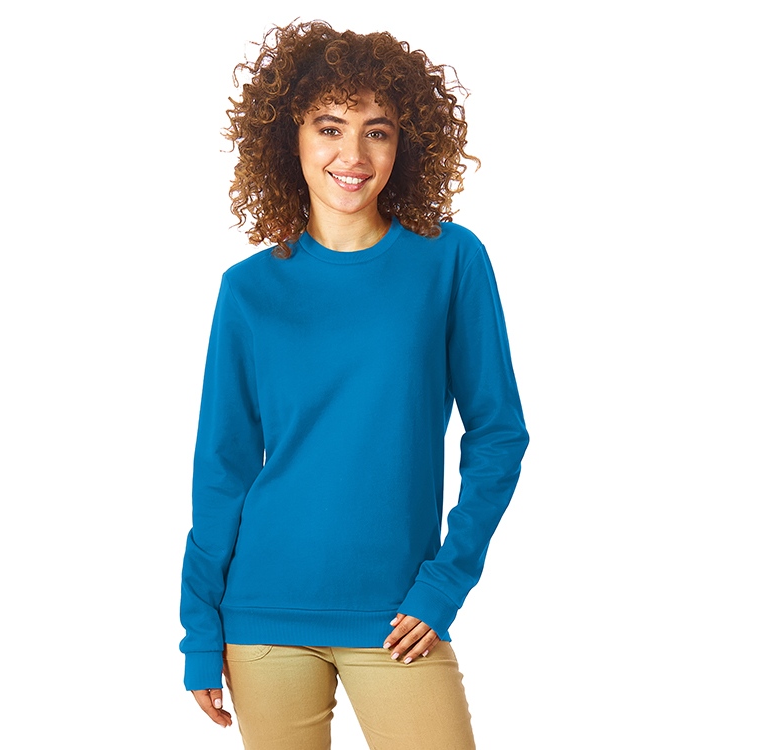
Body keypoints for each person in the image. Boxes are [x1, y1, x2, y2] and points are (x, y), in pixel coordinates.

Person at [179, 20, 529, 750]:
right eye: (330, 128)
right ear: (292, 138)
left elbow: (499, 434)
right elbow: (222, 470)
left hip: (399, 614)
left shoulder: (449, 261)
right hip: (263, 615)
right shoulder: (248, 290)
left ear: (406, 144)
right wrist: (199, 627)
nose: (354, 155)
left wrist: (445, 583)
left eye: (378, 132)